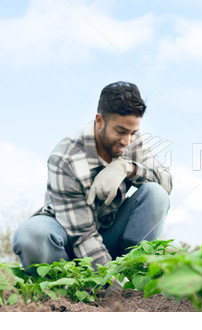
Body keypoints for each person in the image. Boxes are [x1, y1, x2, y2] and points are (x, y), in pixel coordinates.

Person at [13, 81, 172, 273]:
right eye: (121, 131)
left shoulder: (132, 142)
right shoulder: (65, 158)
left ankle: (131, 274)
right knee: (33, 234)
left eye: (133, 133)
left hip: (108, 234)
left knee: (156, 194)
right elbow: (82, 235)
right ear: (99, 121)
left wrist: (127, 168)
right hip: (67, 239)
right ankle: (65, 293)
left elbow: (166, 182)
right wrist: (109, 285)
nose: (126, 141)